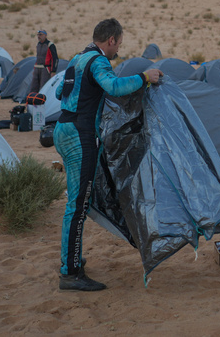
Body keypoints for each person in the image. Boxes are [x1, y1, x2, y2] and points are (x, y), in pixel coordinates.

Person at [53, 18, 162, 291]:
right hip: (80, 135)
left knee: (77, 203)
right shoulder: (98, 61)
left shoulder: (77, 59)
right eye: (118, 45)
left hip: (62, 130)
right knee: (77, 206)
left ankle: (72, 259)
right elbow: (113, 87)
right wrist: (144, 78)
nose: (118, 51)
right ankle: (70, 272)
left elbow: (58, 91)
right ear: (111, 40)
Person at [30, 29, 59, 96]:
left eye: (40, 35)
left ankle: (42, 102)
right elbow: (38, 57)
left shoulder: (50, 45)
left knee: (43, 86)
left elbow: (55, 59)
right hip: (37, 68)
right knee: (34, 86)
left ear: (45, 35)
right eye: (38, 35)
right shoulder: (39, 44)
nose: (39, 36)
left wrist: (53, 71)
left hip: (45, 69)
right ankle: (32, 102)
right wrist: (34, 68)